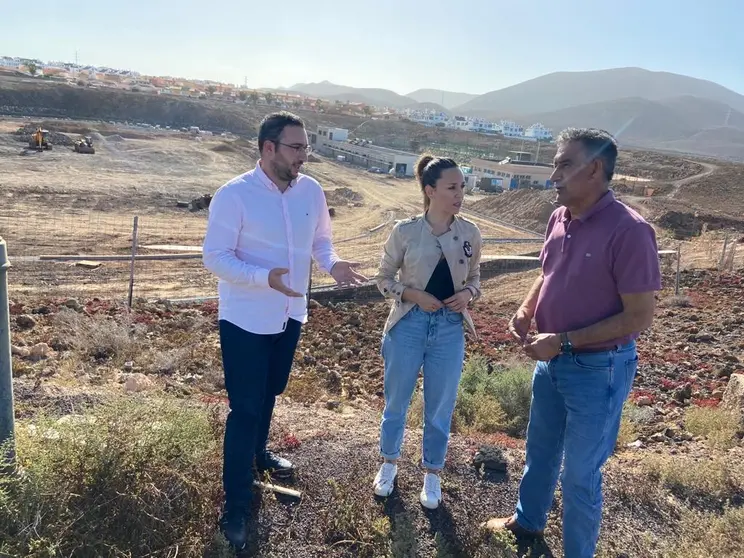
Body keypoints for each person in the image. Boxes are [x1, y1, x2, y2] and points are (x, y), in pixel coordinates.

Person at [482, 128, 662, 558]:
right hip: (553, 363)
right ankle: (528, 521)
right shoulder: (559, 217)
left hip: (599, 369)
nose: (553, 174)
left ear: (595, 169)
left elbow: (640, 316)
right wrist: (527, 310)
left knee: (580, 474)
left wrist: (562, 341)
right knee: (540, 450)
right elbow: (547, 273)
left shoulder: (631, 231)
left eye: (564, 164)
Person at [202, 111, 367, 550]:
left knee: (271, 392)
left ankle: (258, 457)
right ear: (268, 147)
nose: (304, 157)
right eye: (297, 148)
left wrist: (333, 264)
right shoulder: (233, 196)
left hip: (291, 313)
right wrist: (263, 278)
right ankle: (235, 505)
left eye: (306, 148)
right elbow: (214, 257)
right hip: (245, 318)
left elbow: (320, 241)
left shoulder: (310, 191)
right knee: (245, 409)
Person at [373, 154, 482, 510]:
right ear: (430, 190)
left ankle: (432, 472)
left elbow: (476, 279)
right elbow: (384, 279)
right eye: (452, 187)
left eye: (462, 187)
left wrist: (467, 294)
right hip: (408, 325)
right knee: (397, 402)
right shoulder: (405, 232)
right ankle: (389, 464)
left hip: (450, 329)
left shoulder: (469, 233)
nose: (459, 194)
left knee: (440, 406)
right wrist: (413, 294)